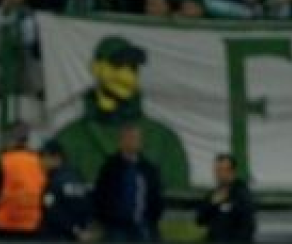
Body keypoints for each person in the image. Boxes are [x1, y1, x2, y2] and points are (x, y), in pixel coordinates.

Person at [52, 36, 191, 191]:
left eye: (133, 69)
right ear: (96, 68)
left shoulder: (163, 141)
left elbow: (178, 198)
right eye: (117, 66)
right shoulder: (68, 139)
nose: (126, 77)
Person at [93, 124, 164, 243]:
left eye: (135, 138)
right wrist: (105, 219)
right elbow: (100, 195)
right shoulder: (110, 167)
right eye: (128, 138)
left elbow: (156, 197)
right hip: (115, 227)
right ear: (121, 142)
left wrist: (152, 219)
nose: (132, 142)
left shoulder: (148, 169)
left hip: (143, 225)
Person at [0, 122, 46, 239]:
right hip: (33, 225)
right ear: (26, 139)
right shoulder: (39, 161)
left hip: (4, 224)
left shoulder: (2, 162)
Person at [196, 153, 256, 244]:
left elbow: (248, 226)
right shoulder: (213, 194)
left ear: (232, 171)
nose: (217, 174)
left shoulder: (242, 194)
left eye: (221, 170)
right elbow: (199, 220)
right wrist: (211, 204)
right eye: (216, 170)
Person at [40, 140, 92, 241]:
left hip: (57, 236)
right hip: (78, 235)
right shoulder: (77, 176)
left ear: (56, 158)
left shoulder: (55, 181)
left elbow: (52, 210)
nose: (42, 162)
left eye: (44, 158)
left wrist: (74, 229)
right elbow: (86, 204)